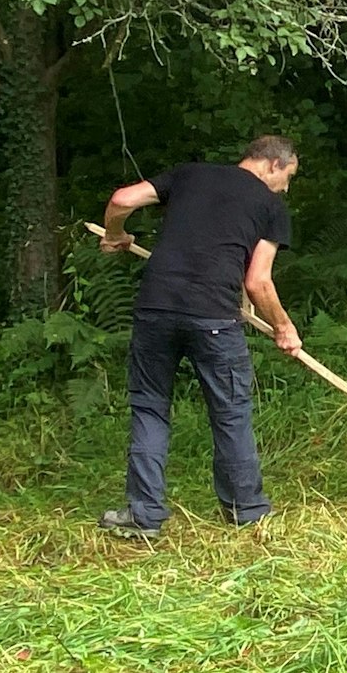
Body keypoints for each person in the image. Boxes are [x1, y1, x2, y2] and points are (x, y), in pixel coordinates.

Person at [94, 135, 305, 539]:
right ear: (273, 165)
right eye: (289, 176)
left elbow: (122, 200)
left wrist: (115, 234)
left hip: (155, 309)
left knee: (150, 408)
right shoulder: (270, 205)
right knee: (231, 413)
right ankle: (247, 511)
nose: (286, 187)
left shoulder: (191, 174)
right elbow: (259, 281)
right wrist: (284, 328)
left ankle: (144, 515)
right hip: (213, 318)